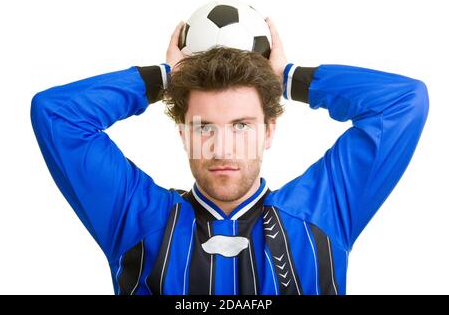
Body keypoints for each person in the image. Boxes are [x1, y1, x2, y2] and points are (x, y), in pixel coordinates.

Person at [30, 18, 429, 295]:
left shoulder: (322, 212)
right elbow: (56, 114)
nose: (222, 148)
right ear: (183, 134)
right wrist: (166, 77)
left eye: (241, 126)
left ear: (269, 130)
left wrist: (287, 77)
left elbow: (402, 103)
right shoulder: (137, 216)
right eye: (204, 127)